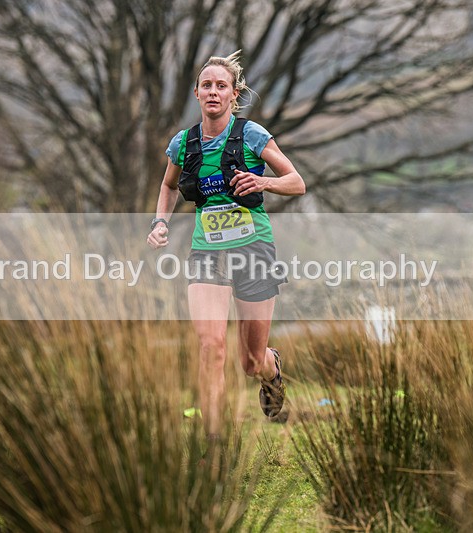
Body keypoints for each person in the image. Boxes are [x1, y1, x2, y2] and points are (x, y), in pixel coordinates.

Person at [146, 51, 305, 436]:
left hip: (254, 250)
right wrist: (160, 223)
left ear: (234, 94)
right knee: (210, 346)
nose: (213, 92)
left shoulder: (251, 135)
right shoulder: (183, 144)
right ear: (196, 93)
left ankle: (271, 369)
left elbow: (297, 183)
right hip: (207, 252)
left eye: (221, 86)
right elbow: (168, 186)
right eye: (206, 86)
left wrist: (264, 182)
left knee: (250, 362)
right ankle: (214, 443)